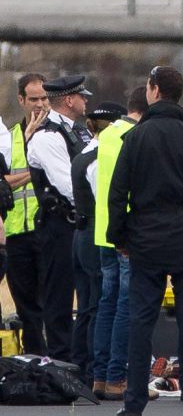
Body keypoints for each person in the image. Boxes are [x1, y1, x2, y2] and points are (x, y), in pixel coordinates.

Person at [107, 66, 183, 416]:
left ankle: (133, 403)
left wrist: (121, 237)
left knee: (141, 321)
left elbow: (117, 195)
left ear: (154, 90)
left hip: (146, 240)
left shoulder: (136, 138)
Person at [27, 74, 93, 363]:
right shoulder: (48, 137)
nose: (86, 100)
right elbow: (69, 185)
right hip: (59, 224)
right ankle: (60, 358)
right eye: (82, 96)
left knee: (86, 291)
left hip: (78, 223)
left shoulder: (79, 132)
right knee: (59, 294)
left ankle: (81, 357)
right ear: (69, 100)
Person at [92, 87, 148, 400]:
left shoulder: (109, 133)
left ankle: (100, 377)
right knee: (127, 305)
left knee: (107, 303)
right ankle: (117, 378)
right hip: (128, 233)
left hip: (104, 232)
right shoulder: (136, 136)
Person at [70, 101, 124, 385]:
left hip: (81, 233)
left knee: (88, 305)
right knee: (98, 304)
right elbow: (104, 199)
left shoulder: (83, 155)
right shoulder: (99, 158)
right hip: (94, 235)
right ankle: (91, 368)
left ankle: (81, 365)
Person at [3, 73, 49, 355]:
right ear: (21, 100)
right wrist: (35, 171)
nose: (40, 104)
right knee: (26, 306)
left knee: (51, 302)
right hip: (16, 234)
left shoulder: (60, 133)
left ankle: (55, 359)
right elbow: (2, 180)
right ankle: (35, 359)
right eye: (33, 99)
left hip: (47, 230)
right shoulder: (9, 138)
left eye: (44, 98)